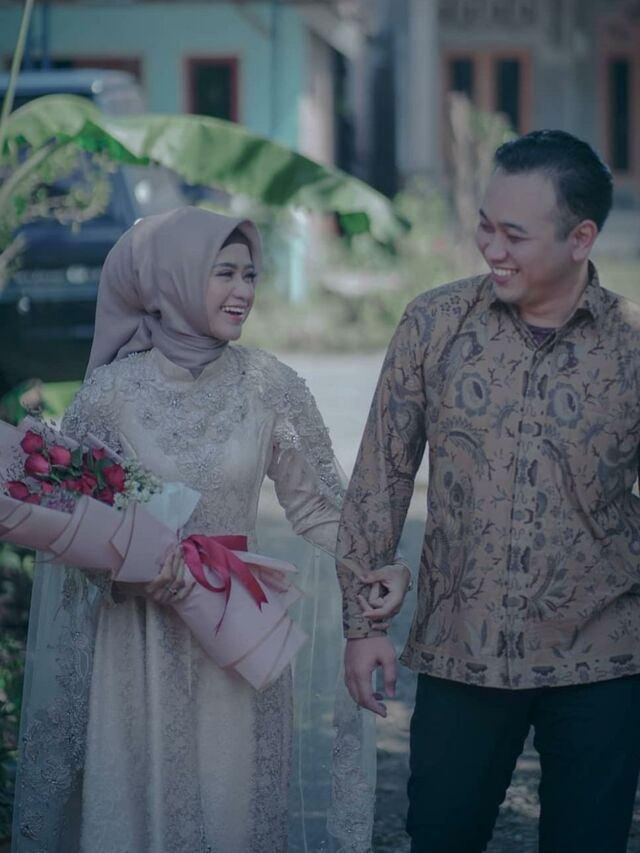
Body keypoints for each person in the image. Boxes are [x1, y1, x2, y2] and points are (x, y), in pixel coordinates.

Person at [11, 207, 376, 853]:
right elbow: (70, 526)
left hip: (237, 638)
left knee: (233, 815)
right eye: (223, 273)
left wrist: (374, 565)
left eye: (250, 274)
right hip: (136, 643)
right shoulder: (109, 394)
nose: (243, 291)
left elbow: (319, 510)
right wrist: (127, 571)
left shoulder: (271, 386)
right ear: (172, 280)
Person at [336, 130, 640, 853]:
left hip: (602, 657)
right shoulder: (434, 323)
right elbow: (381, 475)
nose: (491, 248)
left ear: (580, 238)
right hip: (459, 650)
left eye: (514, 234)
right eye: (484, 225)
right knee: (441, 834)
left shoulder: (630, 346)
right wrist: (363, 623)